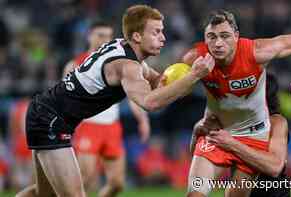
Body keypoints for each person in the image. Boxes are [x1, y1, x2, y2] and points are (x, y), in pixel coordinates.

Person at [16, 5, 214, 197]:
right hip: (50, 119)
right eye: (156, 32)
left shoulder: (127, 50)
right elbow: (150, 102)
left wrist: (183, 73)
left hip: (47, 112)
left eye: (162, 31)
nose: (163, 38)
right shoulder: (126, 66)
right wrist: (191, 77)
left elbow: (157, 81)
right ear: (137, 36)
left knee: (44, 193)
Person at [183, 10, 291, 197]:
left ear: (236, 37)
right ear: (205, 39)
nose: (218, 43)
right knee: (195, 193)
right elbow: (163, 82)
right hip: (217, 131)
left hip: (252, 137)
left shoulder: (256, 52)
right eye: (211, 37)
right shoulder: (195, 59)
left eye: (224, 36)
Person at [63, 21, 151, 197]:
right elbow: (64, 98)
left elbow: (132, 93)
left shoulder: (118, 63)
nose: (104, 40)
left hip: (112, 127)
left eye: (108, 36)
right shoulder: (75, 64)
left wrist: (142, 119)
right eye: (100, 35)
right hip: (88, 125)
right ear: (89, 36)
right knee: (85, 180)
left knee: (117, 184)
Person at [191, 73, 290, 197]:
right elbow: (200, 159)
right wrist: (196, 133)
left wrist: (232, 144)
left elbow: (274, 167)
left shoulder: (276, 122)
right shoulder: (226, 119)